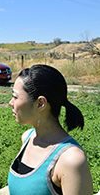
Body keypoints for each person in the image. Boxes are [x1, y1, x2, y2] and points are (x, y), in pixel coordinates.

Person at [6, 64, 93, 195]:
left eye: (15, 97)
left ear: (40, 104)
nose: (11, 102)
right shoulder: (28, 138)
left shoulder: (71, 160)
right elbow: (22, 189)